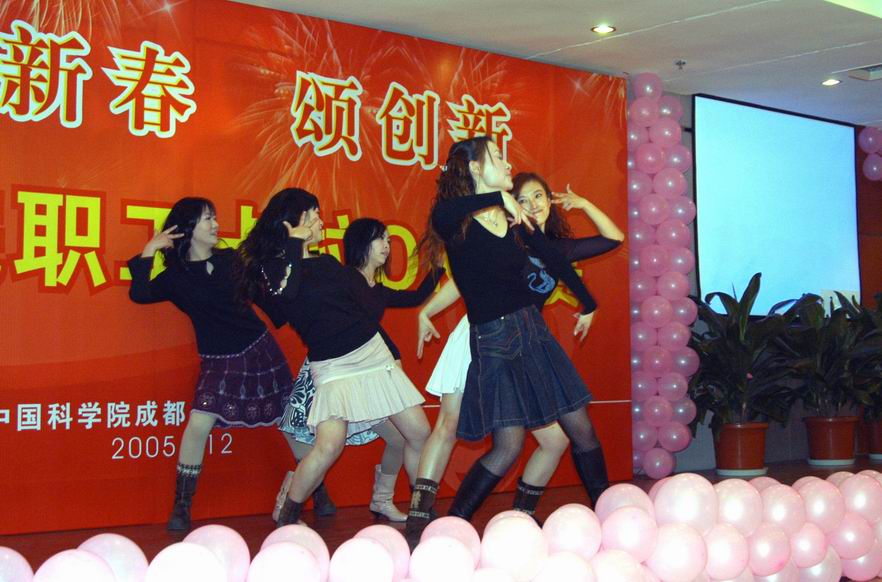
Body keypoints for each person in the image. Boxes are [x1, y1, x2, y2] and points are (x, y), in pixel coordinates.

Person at [406, 137, 611, 542]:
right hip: (493, 339)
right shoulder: (457, 221)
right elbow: (443, 212)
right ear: (475, 168)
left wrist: (588, 303)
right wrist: (498, 197)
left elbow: (554, 260)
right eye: (497, 157)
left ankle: (606, 515)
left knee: (581, 428)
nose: (507, 163)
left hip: (532, 332)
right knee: (508, 445)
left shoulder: (514, 219)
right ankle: (449, 527)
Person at [238, 188, 431, 527]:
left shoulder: (327, 263)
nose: (320, 221)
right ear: (294, 220)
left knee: (418, 431)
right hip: (333, 367)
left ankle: (421, 514)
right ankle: (288, 516)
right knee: (329, 446)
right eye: (313, 214)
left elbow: (363, 311)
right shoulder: (271, 269)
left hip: (373, 356)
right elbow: (288, 296)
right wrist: (294, 244)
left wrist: (392, 352)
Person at [128, 197, 294, 532]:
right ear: (188, 229)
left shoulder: (233, 259)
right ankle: (181, 506)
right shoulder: (176, 277)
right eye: (208, 219)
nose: (216, 225)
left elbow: (264, 296)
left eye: (215, 218)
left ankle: (316, 491)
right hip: (218, 361)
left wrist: (289, 310)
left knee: (289, 421)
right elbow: (140, 293)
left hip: (259, 351)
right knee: (198, 424)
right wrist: (149, 250)